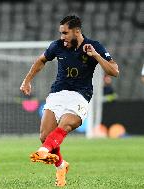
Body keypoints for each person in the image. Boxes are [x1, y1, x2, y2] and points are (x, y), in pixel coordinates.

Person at [20, 15, 119, 187]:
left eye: (65, 33)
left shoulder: (93, 46)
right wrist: (27, 80)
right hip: (58, 93)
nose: (62, 37)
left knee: (64, 126)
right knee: (45, 136)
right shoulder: (57, 46)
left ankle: (43, 152)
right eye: (60, 33)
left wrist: (95, 56)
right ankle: (61, 165)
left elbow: (114, 71)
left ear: (77, 31)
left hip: (80, 95)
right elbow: (41, 60)